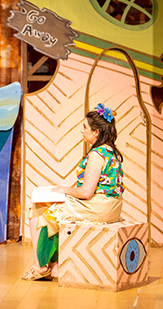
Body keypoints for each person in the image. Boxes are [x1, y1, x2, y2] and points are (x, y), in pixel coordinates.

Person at [22, 103, 124, 281]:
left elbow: (86, 192)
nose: (82, 131)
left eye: (85, 127)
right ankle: (53, 266)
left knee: (43, 211)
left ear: (96, 132)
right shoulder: (110, 151)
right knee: (45, 207)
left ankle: (40, 266)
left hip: (99, 206)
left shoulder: (97, 153)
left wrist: (63, 190)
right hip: (111, 205)